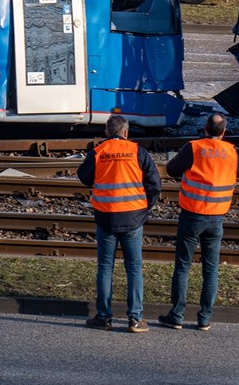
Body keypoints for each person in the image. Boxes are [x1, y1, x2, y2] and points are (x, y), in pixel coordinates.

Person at [158, 113, 239, 332]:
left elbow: (172, 170)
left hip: (192, 215)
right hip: (216, 218)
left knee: (183, 266)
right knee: (210, 270)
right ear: (224, 131)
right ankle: (205, 318)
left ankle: (177, 316)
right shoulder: (231, 151)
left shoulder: (194, 148)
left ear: (205, 129)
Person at [77, 114, 161, 333]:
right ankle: (135, 319)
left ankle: (104, 317)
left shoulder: (98, 152)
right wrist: (145, 207)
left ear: (106, 132)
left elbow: (84, 177)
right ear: (126, 132)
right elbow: (154, 184)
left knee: (105, 268)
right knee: (134, 268)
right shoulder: (138, 152)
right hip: (134, 218)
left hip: (106, 218)